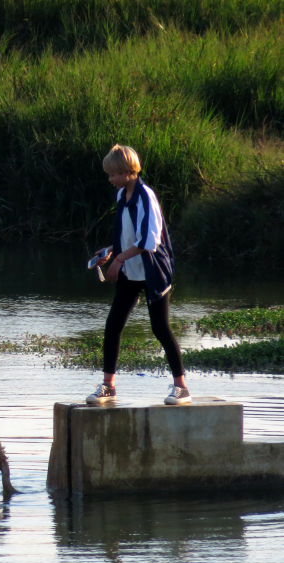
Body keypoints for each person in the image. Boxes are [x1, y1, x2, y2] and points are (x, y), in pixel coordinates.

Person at [88, 145, 190, 406]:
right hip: (131, 271)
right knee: (113, 326)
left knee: (160, 328)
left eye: (113, 175)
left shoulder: (146, 196)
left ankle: (181, 388)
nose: (110, 180)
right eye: (109, 175)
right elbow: (128, 236)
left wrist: (120, 259)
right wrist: (111, 252)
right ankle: (108, 386)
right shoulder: (122, 195)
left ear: (128, 172)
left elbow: (148, 241)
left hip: (153, 270)